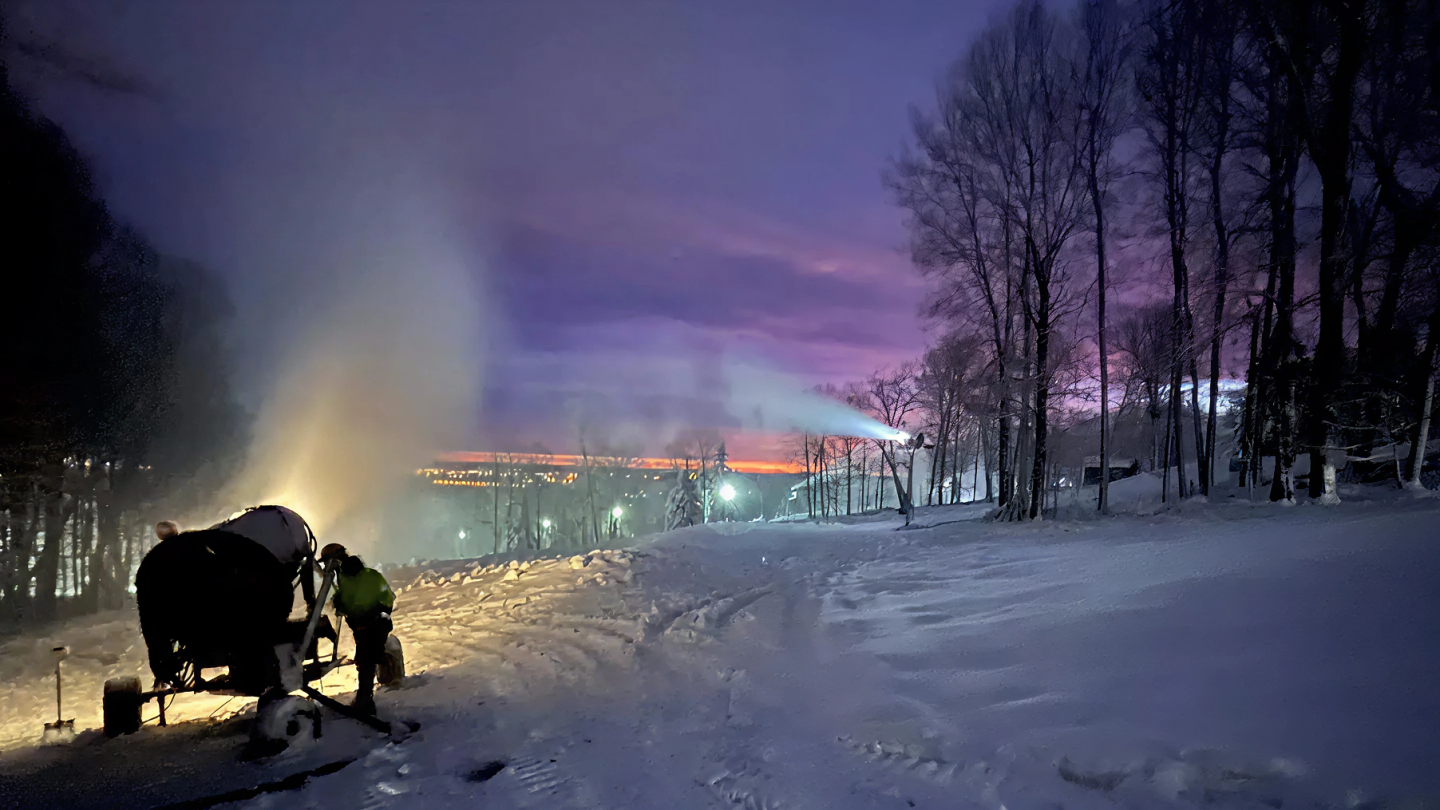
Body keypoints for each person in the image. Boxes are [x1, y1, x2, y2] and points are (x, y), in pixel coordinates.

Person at [319, 543, 394, 716]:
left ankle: (364, 702)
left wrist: (365, 617)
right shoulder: (348, 576)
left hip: (372, 622)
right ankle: (367, 695)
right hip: (369, 622)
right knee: (367, 658)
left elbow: (364, 599)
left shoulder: (351, 575)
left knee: (365, 660)